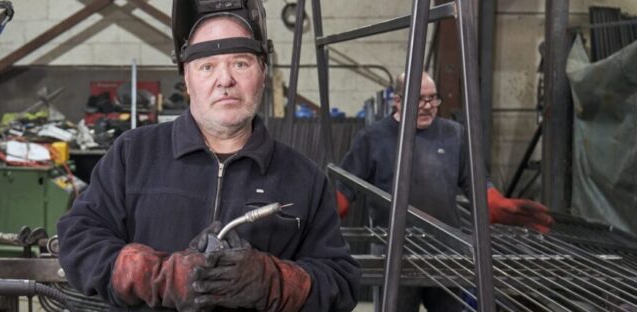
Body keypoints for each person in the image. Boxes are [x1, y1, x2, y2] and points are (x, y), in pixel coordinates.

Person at [56, 0, 361, 311]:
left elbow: (341, 282)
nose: (225, 80)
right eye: (207, 66)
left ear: (263, 73)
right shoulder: (133, 154)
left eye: (240, 63)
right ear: (187, 79)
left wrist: (273, 282)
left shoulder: (304, 178)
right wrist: (159, 276)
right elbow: (78, 240)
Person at [335, 72, 555, 311]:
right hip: (394, 252)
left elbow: (476, 180)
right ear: (397, 100)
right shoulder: (372, 138)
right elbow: (346, 185)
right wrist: (331, 209)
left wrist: (493, 202)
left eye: (433, 98)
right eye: (419, 99)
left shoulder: (454, 134)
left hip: (446, 249)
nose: (428, 106)